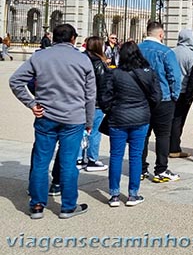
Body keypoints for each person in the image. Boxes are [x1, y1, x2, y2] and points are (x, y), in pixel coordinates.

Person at [10, 23, 95, 219]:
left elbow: (15, 81)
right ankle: (67, 206)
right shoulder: (83, 60)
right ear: (73, 38)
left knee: (41, 161)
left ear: (54, 37)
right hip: (73, 118)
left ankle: (37, 205)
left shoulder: (39, 56)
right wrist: (89, 121)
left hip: (46, 115)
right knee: (68, 163)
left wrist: (31, 103)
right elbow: (90, 96)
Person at [101, 42, 161, 207]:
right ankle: (133, 194)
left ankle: (114, 194)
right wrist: (147, 109)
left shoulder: (114, 73)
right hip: (140, 118)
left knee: (115, 156)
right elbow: (157, 97)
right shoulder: (148, 73)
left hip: (118, 118)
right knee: (135, 157)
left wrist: (111, 110)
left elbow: (105, 98)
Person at [138, 21, 182, 183]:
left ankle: (140, 169)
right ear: (161, 35)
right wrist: (174, 95)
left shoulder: (137, 49)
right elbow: (175, 77)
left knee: (142, 134)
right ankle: (161, 170)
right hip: (163, 99)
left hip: (141, 99)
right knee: (163, 135)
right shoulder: (166, 52)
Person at [79, 36, 110, 172]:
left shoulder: (80, 59)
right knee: (95, 132)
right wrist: (106, 104)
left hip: (80, 101)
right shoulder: (99, 63)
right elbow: (103, 86)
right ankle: (92, 159)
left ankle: (79, 158)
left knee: (81, 131)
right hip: (95, 102)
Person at [169, 29, 193, 159]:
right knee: (178, 121)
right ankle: (174, 148)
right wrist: (192, 94)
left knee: (170, 119)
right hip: (184, 91)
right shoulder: (192, 56)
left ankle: (167, 145)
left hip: (170, 91)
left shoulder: (170, 52)